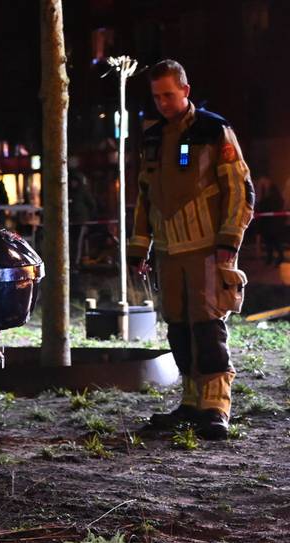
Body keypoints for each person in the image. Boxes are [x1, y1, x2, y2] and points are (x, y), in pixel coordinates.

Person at [129, 59, 254, 440]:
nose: (163, 103)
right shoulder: (152, 137)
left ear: (185, 90)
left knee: (207, 325)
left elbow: (239, 190)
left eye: (169, 94)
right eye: (156, 96)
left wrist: (228, 243)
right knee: (179, 328)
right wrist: (140, 247)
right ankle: (191, 401)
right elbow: (145, 196)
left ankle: (216, 406)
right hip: (169, 250)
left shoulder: (214, 130)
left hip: (205, 248)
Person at [251, 176, 284, 266]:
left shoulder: (270, 196)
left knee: (272, 241)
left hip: (270, 223)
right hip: (270, 223)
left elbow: (264, 205)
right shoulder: (273, 195)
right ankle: (274, 258)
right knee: (271, 241)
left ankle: (276, 258)